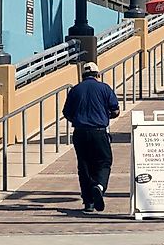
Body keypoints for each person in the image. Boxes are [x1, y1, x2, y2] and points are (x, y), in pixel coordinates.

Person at [62, 61, 120, 213]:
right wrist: (106, 115)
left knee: (84, 167)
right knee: (104, 162)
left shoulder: (75, 90)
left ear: (82, 76)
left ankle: (88, 203)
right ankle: (99, 186)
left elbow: (66, 113)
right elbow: (115, 110)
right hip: (99, 131)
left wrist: (78, 119)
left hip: (80, 133)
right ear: (97, 75)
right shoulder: (104, 88)